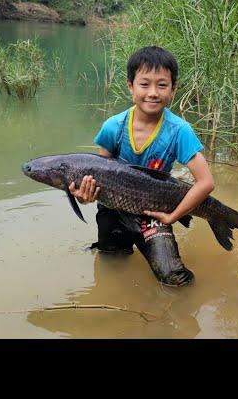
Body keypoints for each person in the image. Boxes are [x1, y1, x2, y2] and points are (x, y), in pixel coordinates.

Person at [68, 46, 215, 287]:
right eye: (144, 84)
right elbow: (95, 174)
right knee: (112, 262)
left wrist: (172, 216)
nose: (153, 93)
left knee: (174, 279)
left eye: (162, 85)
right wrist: (84, 196)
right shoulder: (113, 127)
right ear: (130, 86)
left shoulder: (180, 131)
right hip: (113, 210)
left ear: (173, 89)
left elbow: (206, 183)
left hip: (155, 212)